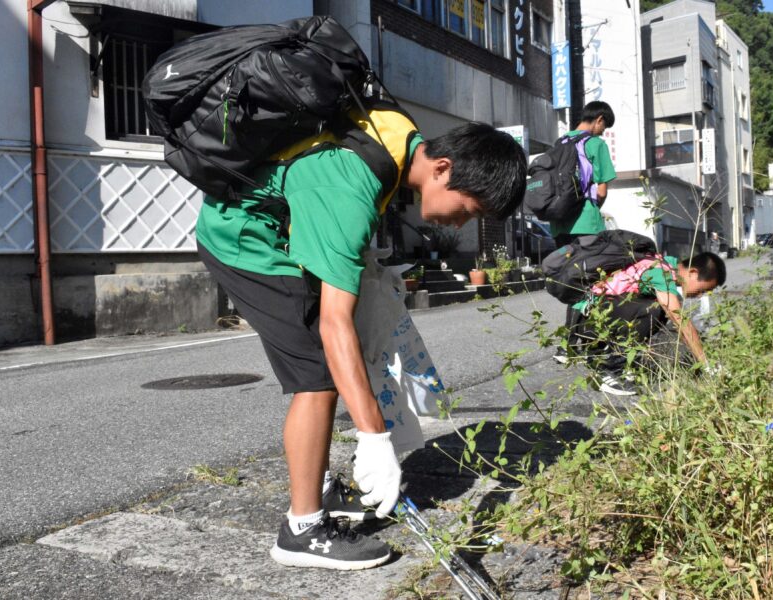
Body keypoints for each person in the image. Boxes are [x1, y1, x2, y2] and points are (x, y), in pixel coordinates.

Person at [195, 117, 527, 570]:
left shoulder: (398, 138)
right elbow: (334, 325)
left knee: (335, 362)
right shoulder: (350, 190)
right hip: (246, 240)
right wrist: (374, 437)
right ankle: (302, 529)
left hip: (285, 230)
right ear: (442, 168)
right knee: (318, 376)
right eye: (469, 208)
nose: (464, 221)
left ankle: (323, 484)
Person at [569, 251, 726, 396]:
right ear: (693, 273)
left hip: (596, 314)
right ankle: (610, 367)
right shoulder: (661, 271)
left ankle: (609, 353)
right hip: (588, 319)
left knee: (658, 308)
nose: (700, 295)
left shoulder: (666, 262)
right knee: (655, 309)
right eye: (704, 289)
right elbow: (681, 321)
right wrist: (706, 364)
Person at [550, 101, 618, 364]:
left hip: (559, 223)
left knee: (572, 281)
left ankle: (572, 343)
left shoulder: (560, 143)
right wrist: (593, 210)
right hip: (586, 224)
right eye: (604, 127)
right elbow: (600, 191)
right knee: (588, 282)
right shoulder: (595, 144)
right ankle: (572, 345)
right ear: (599, 120)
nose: (602, 133)